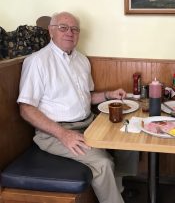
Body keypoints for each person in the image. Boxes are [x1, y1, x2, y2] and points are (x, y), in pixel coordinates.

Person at [17, 11, 132, 203]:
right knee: (103, 163)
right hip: (55, 132)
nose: (70, 33)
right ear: (51, 32)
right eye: (63, 28)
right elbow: (26, 109)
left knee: (128, 136)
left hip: (88, 123)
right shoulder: (37, 61)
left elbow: (86, 97)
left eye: (74, 29)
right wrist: (63, 134)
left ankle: (117, 188)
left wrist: (108, 95)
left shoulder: (81, 59)